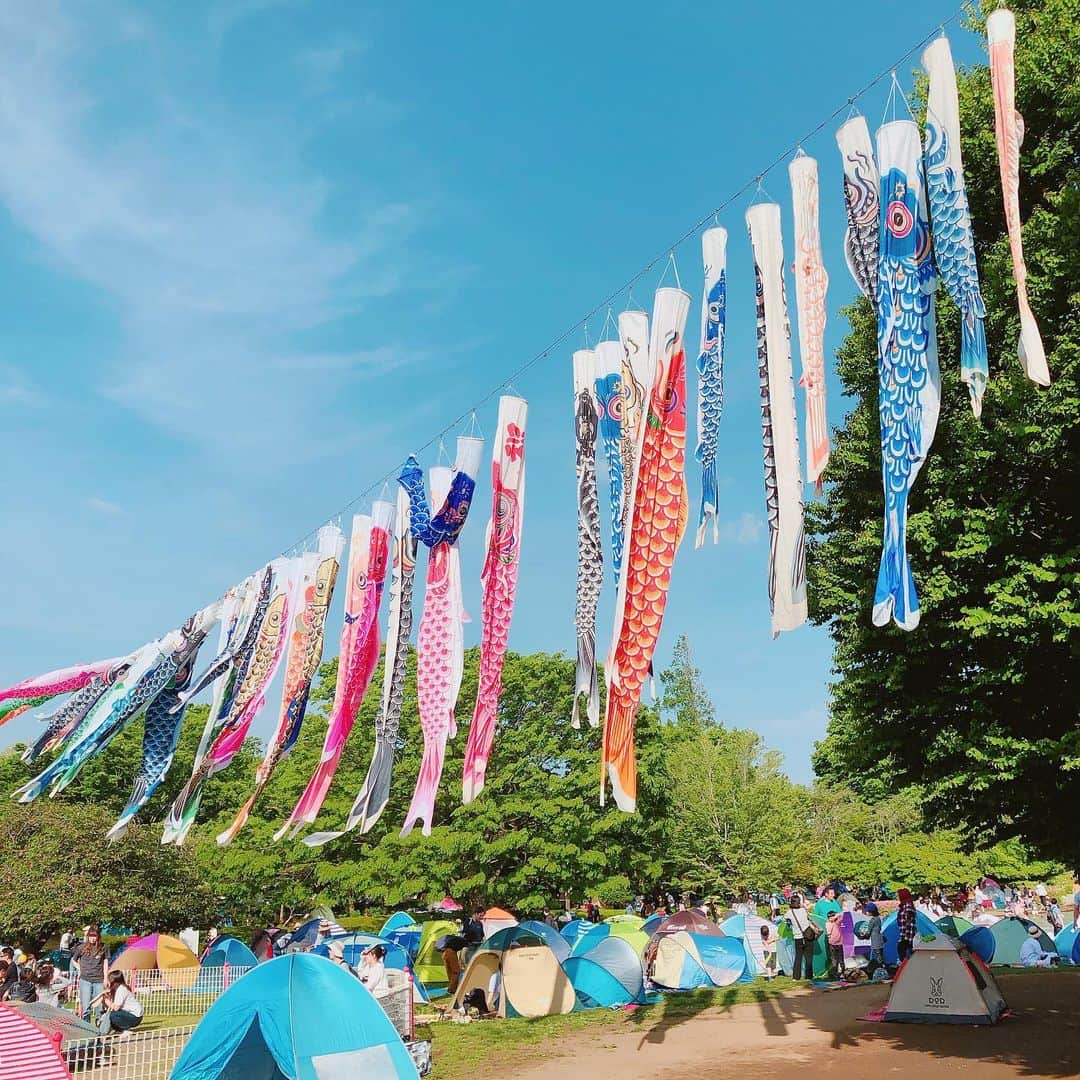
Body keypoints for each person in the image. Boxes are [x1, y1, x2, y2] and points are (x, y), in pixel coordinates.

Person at [72, 924, 108, 1023]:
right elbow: (74, 960)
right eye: (91, 936)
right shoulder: (81, 947)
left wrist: (106, 977)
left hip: (99, 980)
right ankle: (86, 1026)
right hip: (85, 979)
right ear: (88, 936)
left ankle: (99, 1026)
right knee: (86, 1006)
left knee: (99, 1007)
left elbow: (105, 961)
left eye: (94, 936)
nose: (92, 938)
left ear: (98, 936)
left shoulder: (103, 947)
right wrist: (80, 968)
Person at [97, 971, 144, 1035]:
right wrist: (105, 1000)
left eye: (109, 980)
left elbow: (116, 1008)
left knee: (113, 1015)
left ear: (114, 981)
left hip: (135, 1016)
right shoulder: (116, 989)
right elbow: (110, 1007)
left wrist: (106, 1001)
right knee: (107, 1014)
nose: (108, 982)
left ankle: (126, 1030)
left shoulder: (121, 989)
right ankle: (118, 1030)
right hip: (128, 1013)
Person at [786, 893, 813, 980]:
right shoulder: (803, 910)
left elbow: (786, 922)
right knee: (808, 957)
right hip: (808, 936)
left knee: (798, 957)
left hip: (798, 937)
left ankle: (796, 976)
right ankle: (809, 976)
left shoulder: (789, 913)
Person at [864, 902, 885, 976]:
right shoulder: (878, 918)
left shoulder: (872, 920)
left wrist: (864, 936)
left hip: (875, 940)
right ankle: (882, 967)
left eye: (867, 911)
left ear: (871, 912)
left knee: (878, 956)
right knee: (881, 954)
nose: (866, 912)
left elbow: (868, 931)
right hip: (880, 938)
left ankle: (880, 969)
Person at [896, 889, 917, 964]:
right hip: (906, 936)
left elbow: (909, 922)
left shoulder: (907, 906)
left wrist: (907, 939)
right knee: (903, 952)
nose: (898, 897)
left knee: (902, 952)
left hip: (907, 936)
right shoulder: (905, 905)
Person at [825, 912, 845, 980]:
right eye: (829, 917)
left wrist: (836, 916)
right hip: (832, 944)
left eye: (832, 917)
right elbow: (828, 933)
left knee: (841, 960)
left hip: (840, 944)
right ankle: (835, 974)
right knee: (834, 960)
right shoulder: (828, 924)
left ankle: (843, 973)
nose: (831, 918)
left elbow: (842, 915)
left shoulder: (837, 922)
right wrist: (834, 918)